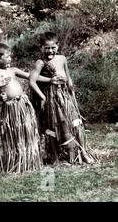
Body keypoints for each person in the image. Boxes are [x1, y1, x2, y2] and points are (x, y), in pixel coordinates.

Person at [0, 43, 56, 173]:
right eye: (7, 57)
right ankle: (18, 161)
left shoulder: (13, 70)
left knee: (28, 131)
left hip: (23, 104)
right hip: (10, 108)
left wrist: (50, 79)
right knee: (16, 134)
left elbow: (32, 76)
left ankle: (31, 161)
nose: (10, 59)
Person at [29, 32, 95, 165]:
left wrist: (70, 85)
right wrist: (45, 91)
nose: (50, 50)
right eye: (46, 47)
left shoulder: (62, 58)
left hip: (65, 95)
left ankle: (83, 152)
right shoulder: (40, 62)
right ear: (41, 47)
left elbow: (67, 74)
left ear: (57, 46)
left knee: (75, 121)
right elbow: (32, 80)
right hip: (51, 98)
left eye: (53, 47)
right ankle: (55, 156)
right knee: (53, 124)